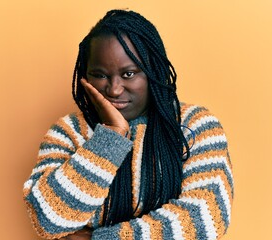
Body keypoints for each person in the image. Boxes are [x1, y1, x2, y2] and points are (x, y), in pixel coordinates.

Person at [23, 9, 234, 240]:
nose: (114, 89)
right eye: (100, 75)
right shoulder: (69, 132)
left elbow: (205, 218)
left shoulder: (194, 125)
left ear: (154, 72)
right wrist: (111, 136)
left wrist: (99, 238)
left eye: (129, 74)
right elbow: (48, 220)